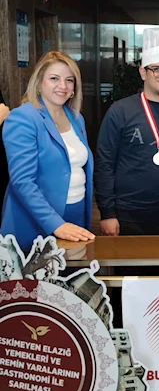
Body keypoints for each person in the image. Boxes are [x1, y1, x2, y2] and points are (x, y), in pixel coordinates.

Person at [95, 26, 159, 236]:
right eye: (157, 69)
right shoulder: (120, 111)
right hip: (126, 216)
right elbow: (104, 163)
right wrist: (107, 212)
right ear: (143, 72)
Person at [0, 51, 95, 252]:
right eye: (54, 78)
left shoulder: (76, 118)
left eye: (69, 80)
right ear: (39, 81)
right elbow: (23, 182)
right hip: (37, 222)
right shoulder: (23, 118)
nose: (63, 86)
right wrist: (56, 224)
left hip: (76, 214)